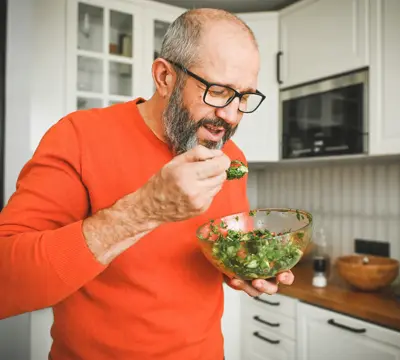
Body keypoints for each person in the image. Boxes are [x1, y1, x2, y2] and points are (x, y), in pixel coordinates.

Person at [0, 7, 294, 360]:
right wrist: (144, 210)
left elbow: (206, 260)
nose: (231, 116)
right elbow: (5, 283)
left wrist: (246, 268)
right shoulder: (78, 137)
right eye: (218, 91)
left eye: (244, 97)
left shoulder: (233, 159)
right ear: (164, 77)